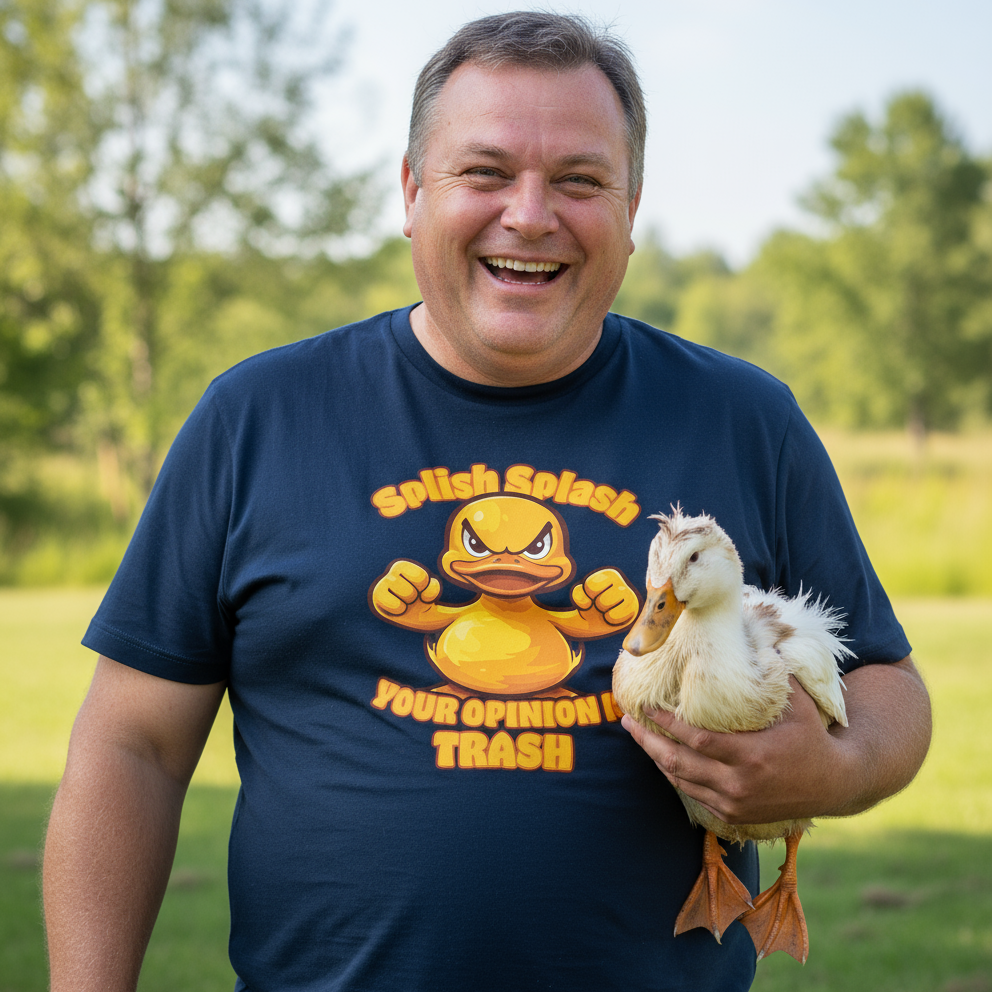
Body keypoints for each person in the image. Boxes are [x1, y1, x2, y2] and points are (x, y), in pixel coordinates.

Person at [44, 11, 931, 992]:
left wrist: (831, 770)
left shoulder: (741, 419)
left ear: (631, 209)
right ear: (412, 192)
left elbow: (890, 686)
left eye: (579, 180)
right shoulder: (256, 418)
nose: (529, 213)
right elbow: (134, 744)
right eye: (485, 172)